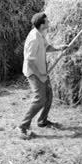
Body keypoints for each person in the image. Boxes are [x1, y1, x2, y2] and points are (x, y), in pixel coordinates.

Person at [18, 12, 67, 140]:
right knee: (40, 99)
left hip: (42, 71)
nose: (49, 22)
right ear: (41, 24)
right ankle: (22, 126)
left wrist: (59, 48)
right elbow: (29, 60)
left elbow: (47, 47)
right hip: (34, 73)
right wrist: (40, 74)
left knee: (49, 95)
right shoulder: (34, 38)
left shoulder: (40, 34)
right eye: (47, 21)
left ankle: (42, 121)